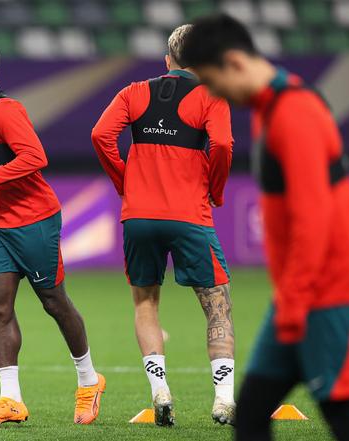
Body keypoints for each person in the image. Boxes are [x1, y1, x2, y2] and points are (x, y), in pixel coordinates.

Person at [180, 14, 349, 441]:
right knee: (251, 417)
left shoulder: (294, 114)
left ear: (235, 62)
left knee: (348, 425)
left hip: (329, 300)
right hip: (296, 298)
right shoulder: (269, 110)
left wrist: (292, 309)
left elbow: (313, 220)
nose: (214, 94)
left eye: (212, 82)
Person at [0, 42, 105, 426]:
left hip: (33, 220)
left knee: (54, 302)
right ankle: (11, 400)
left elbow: (34, 158)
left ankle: (89, 380)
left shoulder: (6, 110)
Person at [91, 24, 235, 426]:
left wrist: (125, 183)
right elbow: (223, 145)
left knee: (145, 303)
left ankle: (160, 391)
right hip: (189, 216)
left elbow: (101, 135)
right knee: (217, 304)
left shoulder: (134, 92)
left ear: (168, 59)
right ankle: (224, 399)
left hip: (139, 216)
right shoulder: (211, 96)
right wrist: (216, 189)